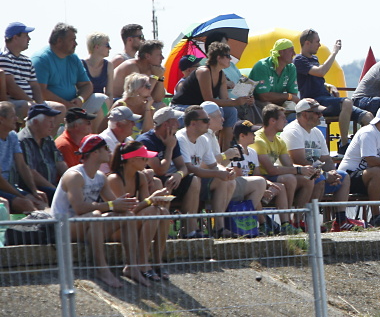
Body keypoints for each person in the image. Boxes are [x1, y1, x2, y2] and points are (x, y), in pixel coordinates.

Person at [50, 134, 140, 288]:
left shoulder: (101, 177)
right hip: (64, 227)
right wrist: (112, 205)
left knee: (127, 216)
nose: (109, 151)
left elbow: (115, 206)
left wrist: (127, 203)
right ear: (95, 152)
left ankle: (132, 266)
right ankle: (101, 269)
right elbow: (79, 208)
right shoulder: (74, 175)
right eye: (106, 148)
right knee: (96, 215)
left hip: (88, 224)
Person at [282, 98, 359, 230]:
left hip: (315, 173)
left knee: (343, 177)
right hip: (297, 175)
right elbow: (299, 160)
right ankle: (303, 221)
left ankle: (340, 220)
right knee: (319, 179)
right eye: (317, 113)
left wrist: (333, 173)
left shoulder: (316, 132)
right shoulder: (293, 131)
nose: (321, 115)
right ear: (305, 114)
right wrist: (325, 174)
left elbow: (326, 159)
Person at [106, 140, 174, 284]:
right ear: (132, 160)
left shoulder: (140, 176)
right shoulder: (114, 179)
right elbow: (124, 211)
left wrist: (157, 201)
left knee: (162, 212)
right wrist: (151, 200)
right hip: (117, 227)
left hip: (131, 223)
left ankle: (158, 262)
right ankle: (142, 262)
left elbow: (145, 206)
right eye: (144, 158)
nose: (147, 161)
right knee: (153, 211)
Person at [253, 103, 318, 232]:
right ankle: (286, 222)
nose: (286, 121)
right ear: (272, 121)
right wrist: (299, 169)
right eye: (283, 118)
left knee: (308, 179)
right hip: (260, 177)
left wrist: (307, 170)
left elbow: (289, 165)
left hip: (274, 176)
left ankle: (296, 221)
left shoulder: (279, 140)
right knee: (289, 178)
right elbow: (271, 169)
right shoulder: (259, 140)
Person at [173, 106, 239, 234]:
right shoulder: (181, 138)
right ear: (193, 123)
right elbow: (189, 169)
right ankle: (190, 229)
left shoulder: (203, 139)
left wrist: (225, 171)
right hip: (179, 182)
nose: (208, 123)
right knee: (195, 179)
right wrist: (218, 173)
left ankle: (219, 228)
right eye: (205, 120)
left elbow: (213, 165)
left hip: (195, 180)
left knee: (224, 180)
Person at [294, 29, 371, 136]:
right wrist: (334, 52)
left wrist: (328, 85)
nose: (319, 45)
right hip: (315, 102)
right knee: (347, 102)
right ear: (307, 43)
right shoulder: (299, 60)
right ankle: (343, 142)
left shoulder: (314, 59)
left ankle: (360, 143)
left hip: (326, 98)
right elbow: (320, 72)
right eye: (317, 42)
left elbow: (315, 78)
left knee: (368, 117)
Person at [174, 41, 250, 148]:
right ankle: (210, 147)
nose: (230, 59)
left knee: (231, 111)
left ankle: (226, 150)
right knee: (216, 112)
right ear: (218, 58)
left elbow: (225, 99)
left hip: (200, 107)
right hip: (182, 106)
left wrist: (242, 100)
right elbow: (208, 99)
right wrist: (236, 102)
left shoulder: (221, 74)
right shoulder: (204, 72)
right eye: (227, 56)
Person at [32, 23, 108, 118]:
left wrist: (80, 99)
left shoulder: (73, 58)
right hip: (51, 108)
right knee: (60, 108)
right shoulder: (42, 59)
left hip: (73, 106)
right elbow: (40, 91)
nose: (76, 44)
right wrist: (66, 104)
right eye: (72, 40)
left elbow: (86, 85)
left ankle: (93, 128)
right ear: (59, 41)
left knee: (102, 99)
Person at [0, 101, 48, 212]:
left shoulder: (12, 136)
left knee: (40, 202)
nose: (16, 119)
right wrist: (22, 196)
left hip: (8, 186)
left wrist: (34, 191)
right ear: (1, 119)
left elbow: (22, 165)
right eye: (13, 116)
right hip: (2, 187)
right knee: (25, 203)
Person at [18, 103, 64, 199]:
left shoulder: (48, 139)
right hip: (34, 189)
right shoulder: (23, 141)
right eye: (50, 122)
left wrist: (71, 182)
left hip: (52, 187)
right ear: (35, 122)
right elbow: (31, 172)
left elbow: (60, 163)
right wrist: (55, 191)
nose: (53, 126)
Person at [110, 38, 167, 108]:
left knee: (160, 105)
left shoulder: (153, 69)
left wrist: (160, 78)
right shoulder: (131, 66)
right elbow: (139, 94)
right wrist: (155, 76)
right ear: (147, 56)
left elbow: (158, 99)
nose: (162, 58)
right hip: (118, 102)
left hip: (136, 102)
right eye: (159, 55)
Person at [249, 39, 300, 115]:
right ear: (281, 52)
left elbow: (293, 94)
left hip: (277, 103)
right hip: (256, 104)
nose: (294, 54)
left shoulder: (291, 67)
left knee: (296, 109)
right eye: (291, 50)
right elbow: (263, 96)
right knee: (271, 109)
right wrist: (288, 96)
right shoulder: (262, 66)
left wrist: (289, 98)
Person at [0, 22, 38, 118]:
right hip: (14, 102)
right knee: (27, 107)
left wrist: (40, 103)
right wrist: (32, 102)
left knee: (59, 108)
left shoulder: (27, 61)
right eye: (26, 36)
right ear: (15, 38)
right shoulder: (4, 58)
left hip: (30, 101)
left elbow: (34, 85)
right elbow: (11, 87)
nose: (29, 39)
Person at [82, 33, 112, 107]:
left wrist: (107, 111)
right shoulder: (81, 64)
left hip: (101, 104)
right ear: (97, 47)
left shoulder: (108, 65)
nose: (110, 48)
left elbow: (109, 93)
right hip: (84, 104)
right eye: (107, 45)